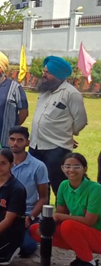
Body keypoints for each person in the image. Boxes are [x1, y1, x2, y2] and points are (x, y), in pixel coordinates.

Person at [30, 153, 101, 266]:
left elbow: (89, 221)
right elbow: (60, 213)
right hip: (82, 231)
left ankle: (90, 264)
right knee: (36, 230)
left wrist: (60, 217)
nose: (71, 170)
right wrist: (46, 224)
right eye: (68, 166)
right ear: (62, 168)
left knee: (68, 226)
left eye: (76, 166)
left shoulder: (95, 189)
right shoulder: (63, 185)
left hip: (96, 233)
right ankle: (82, 255)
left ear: (85, 169)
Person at [30, 55, 88, 196]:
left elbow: (81, 121)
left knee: (58, 184)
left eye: (47, 73)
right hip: (35, 146)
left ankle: (62, 215)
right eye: (44, 72)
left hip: (56, 148)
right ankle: (43, 216)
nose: (43, 75)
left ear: (58, 75)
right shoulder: (44, 91)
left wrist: (66, 132)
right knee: (38, 185)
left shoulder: (71, 93)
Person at [9, 126, 50, 258]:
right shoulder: (2, 162)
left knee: (27, 248)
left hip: (28, 215)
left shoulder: (38, 166)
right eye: (12, 139)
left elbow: (44, 198)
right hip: (6, 212)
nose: (15, 143)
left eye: (20, 140)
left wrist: (31, 216)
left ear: (27, 142)